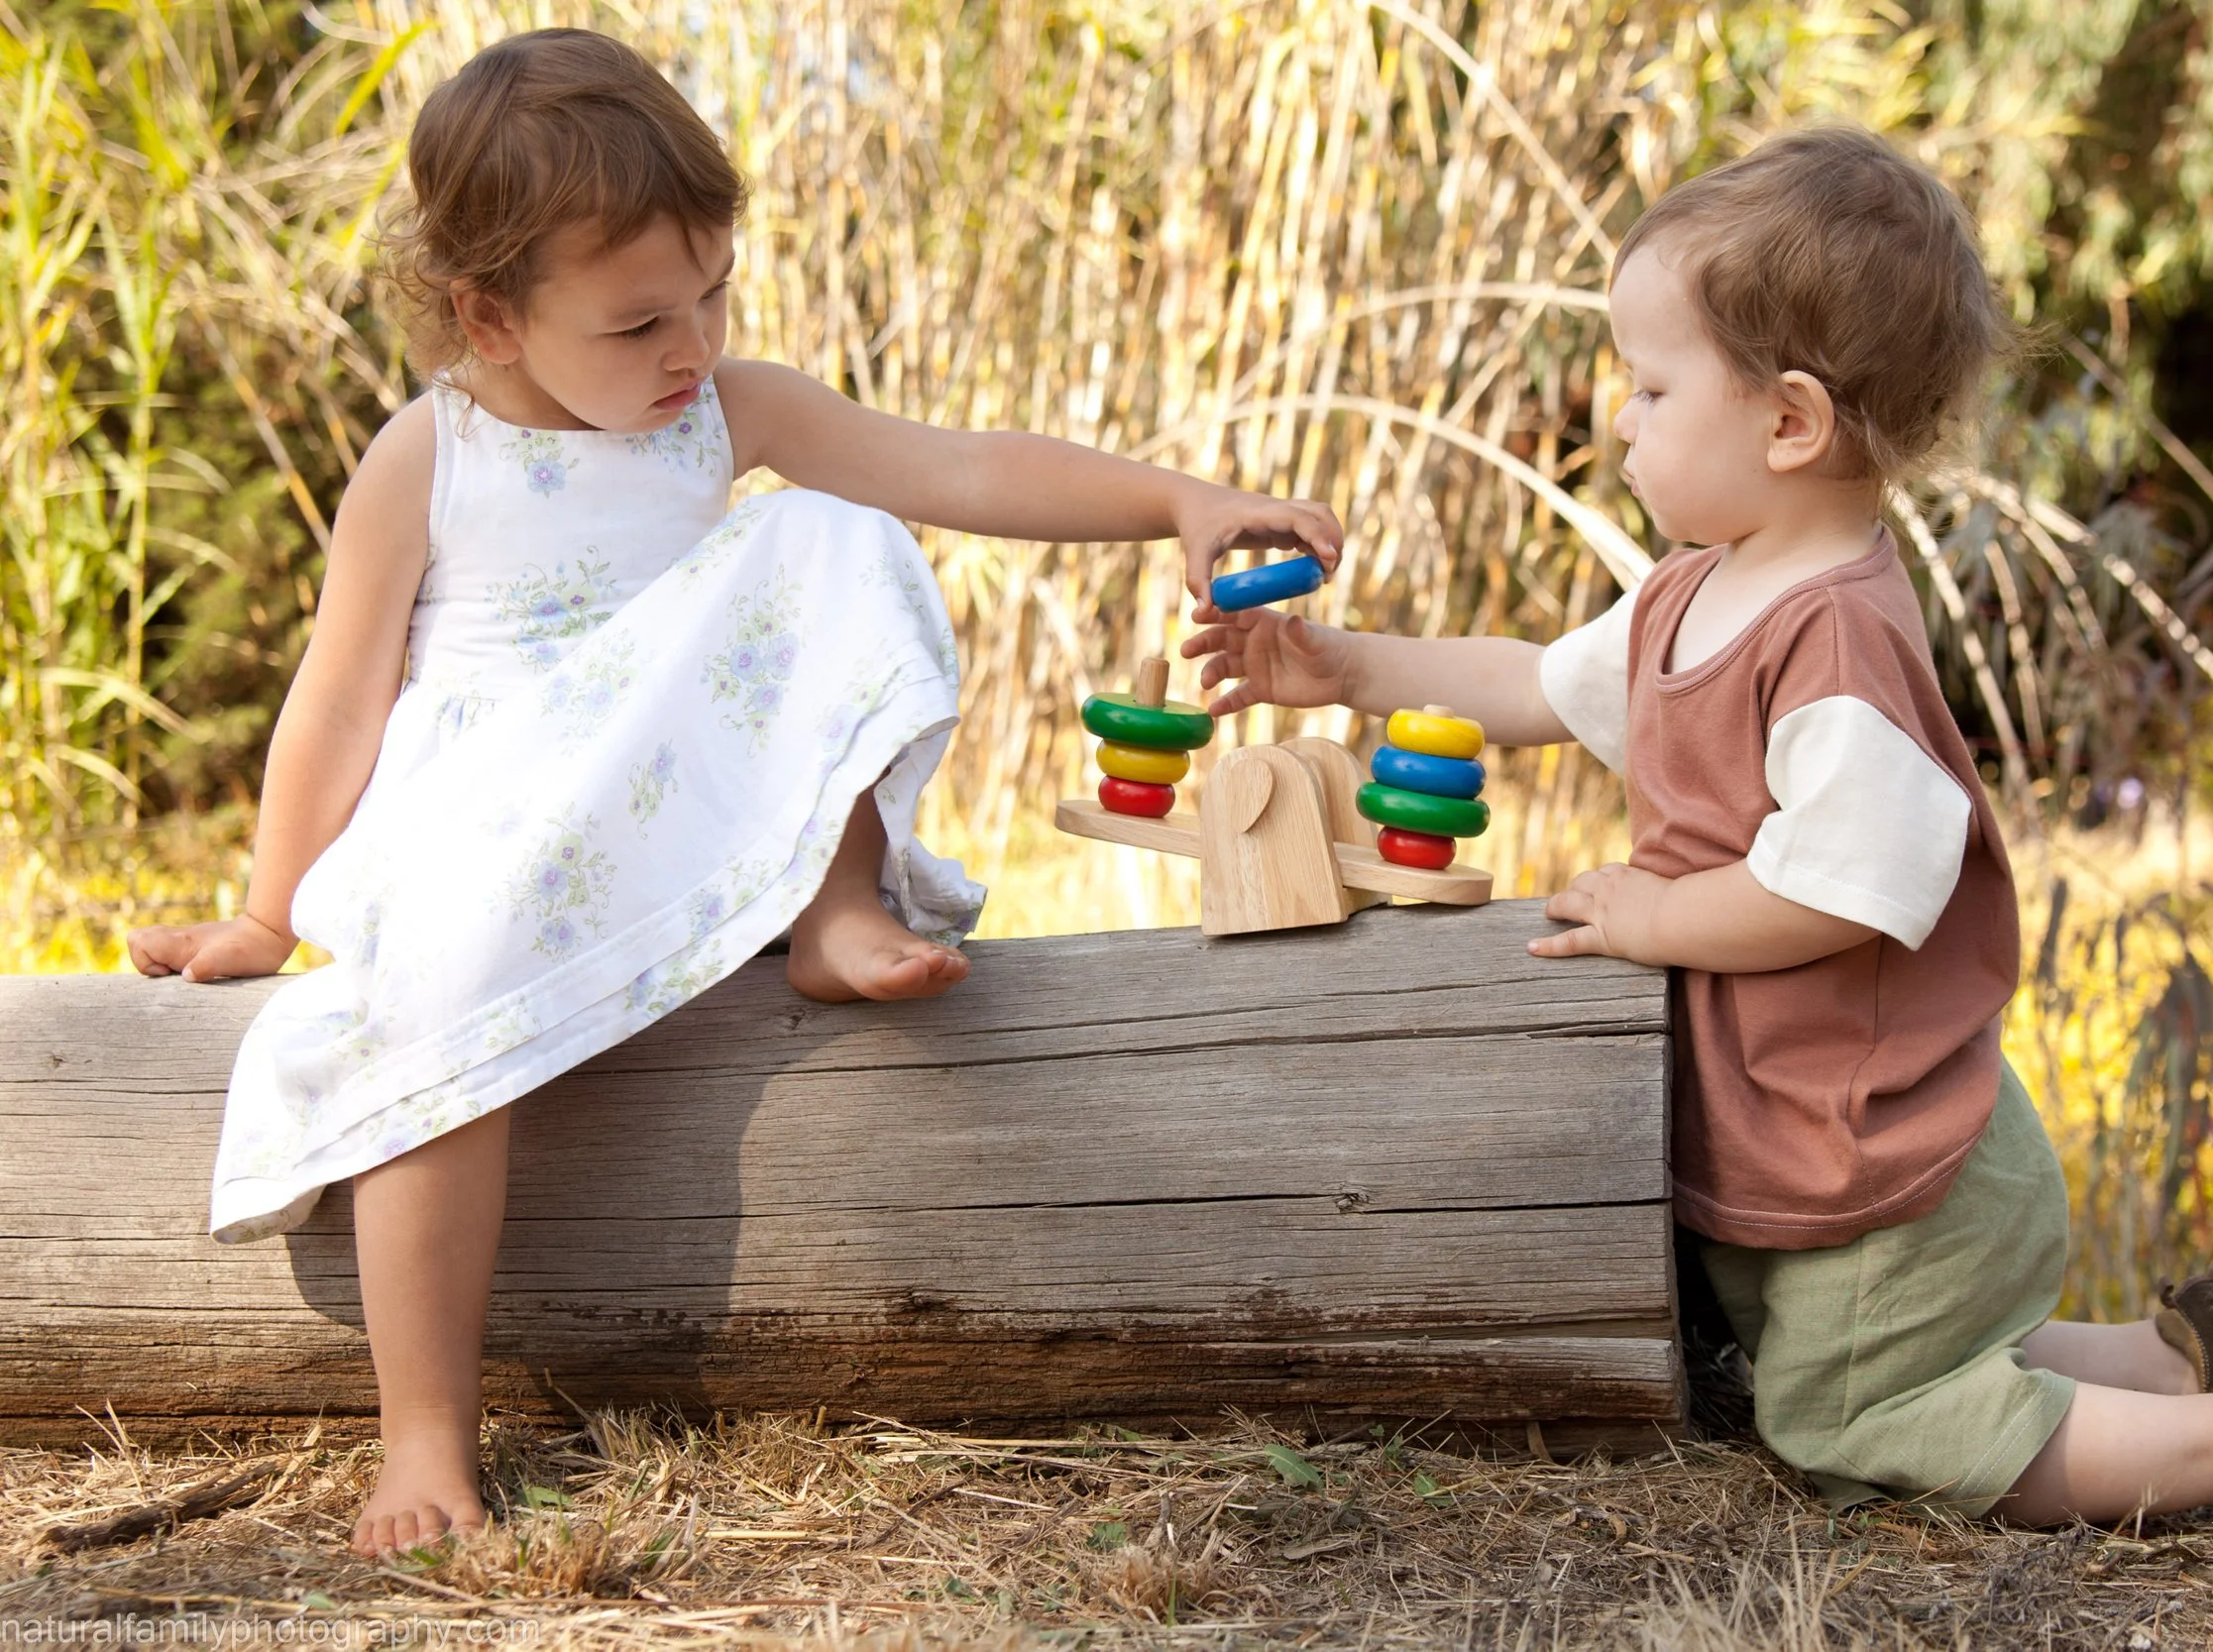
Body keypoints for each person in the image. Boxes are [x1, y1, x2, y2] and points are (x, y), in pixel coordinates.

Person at [126, 28, 1339, 1560]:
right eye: (639, 320)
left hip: (665, 804)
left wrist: (1176, 496)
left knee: (829, 532)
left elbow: (956, 468)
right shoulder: (427, 457)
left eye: (713, 292)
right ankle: (424, 1432)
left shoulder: (727, 414)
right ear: (485, 316)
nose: (690, 344)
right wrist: (265, 906)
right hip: (497, 829)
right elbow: (339, 691)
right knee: (428, 1025)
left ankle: (827, 907)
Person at [1183, 127, 2213, 1546]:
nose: (1622, 420)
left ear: (1788, 423)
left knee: (1854, 1424)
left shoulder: (1833, 639)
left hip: (1889, 1147)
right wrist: (1341, 667)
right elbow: (1537, 683)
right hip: (1834, 1126)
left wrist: (1658, 916)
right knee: (1873, 1368)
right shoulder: (1696, 592)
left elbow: (1842, 888)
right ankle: (2186, 1352)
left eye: (1653, 388)